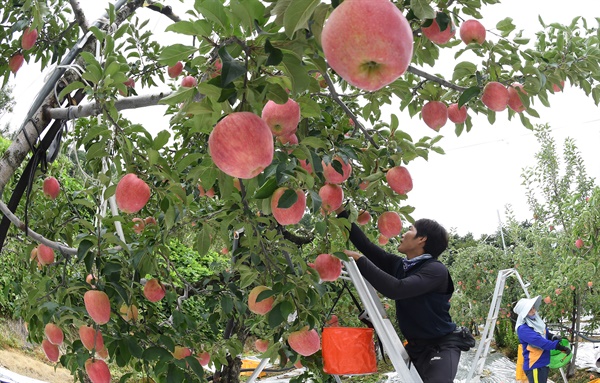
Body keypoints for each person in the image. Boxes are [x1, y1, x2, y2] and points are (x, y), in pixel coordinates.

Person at [336, 206, 460, 383]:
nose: (403, 234)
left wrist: (358, 259)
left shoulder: (435, 270)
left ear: (422, 239)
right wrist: (340, 211)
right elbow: (367, 247)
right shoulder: (401, 266)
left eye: (410, 230)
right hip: (416, 348)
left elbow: (397, 289)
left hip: (441, 346)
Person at [513, 296, 570, 383]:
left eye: (533, 308)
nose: (533, 311)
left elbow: (545, 333)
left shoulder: (536, 322)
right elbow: (541, 342)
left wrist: (552, 337)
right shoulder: (523, 329)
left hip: (543, 363)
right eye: (529, 310)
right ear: (524, 314)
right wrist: (560, 347)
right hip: (535, 365)